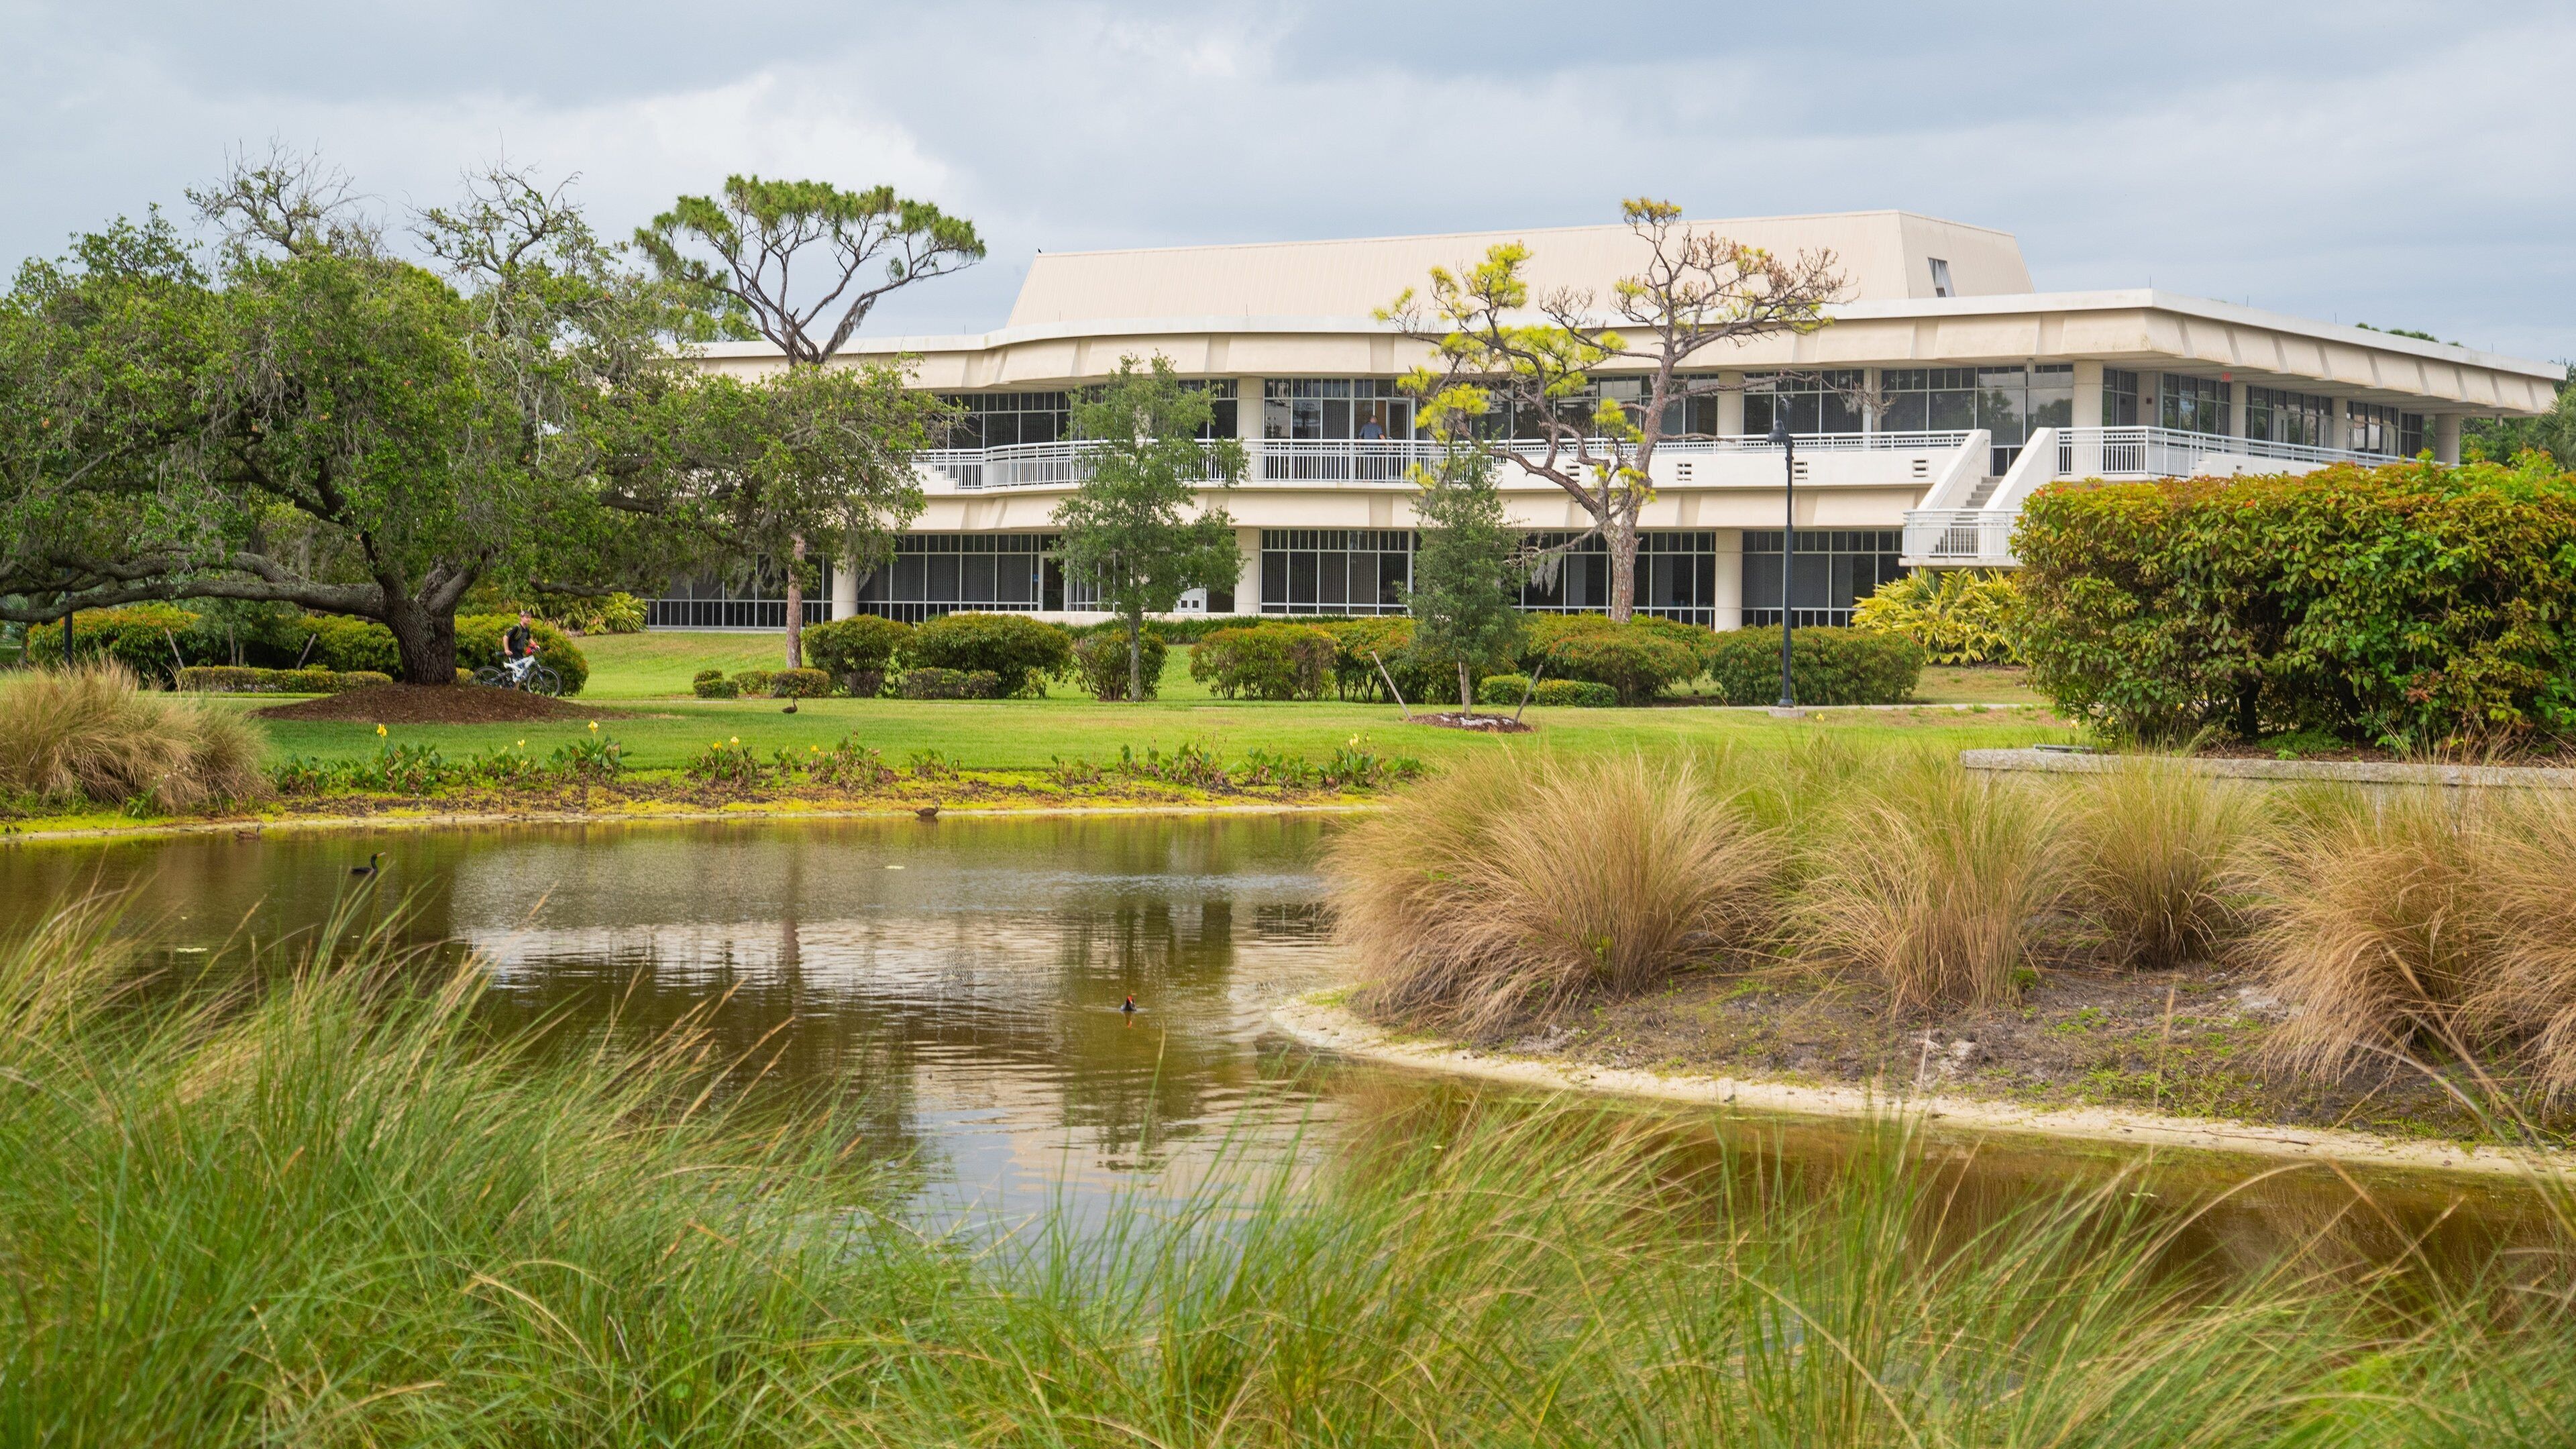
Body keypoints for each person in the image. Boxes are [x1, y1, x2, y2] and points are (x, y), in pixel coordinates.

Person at [503, 610, 538, 682]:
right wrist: (506, 650)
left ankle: (515, 688)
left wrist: (535, 646)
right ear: (521, 618)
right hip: (513, 653)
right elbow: (505, 637)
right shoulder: (517, 627)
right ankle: (510, 686)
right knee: (519, 675)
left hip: (520, 654)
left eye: (530, 618)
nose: (529, 619)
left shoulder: (526, 629)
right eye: (527, 617)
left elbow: (529, 639)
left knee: (521, 674)